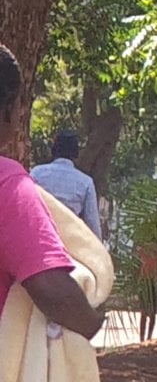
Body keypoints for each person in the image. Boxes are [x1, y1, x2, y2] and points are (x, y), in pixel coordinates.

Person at [0, 45, 102, 340]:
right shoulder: (10, 182)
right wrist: (91, 323)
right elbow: (52, 288)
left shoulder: (36, 175)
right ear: (8, 108)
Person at [30, 129, 101, 241]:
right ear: (76, 153)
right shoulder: (86, 182)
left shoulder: (36, 173)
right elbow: (92, 224)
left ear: (54, 150)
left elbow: (27, 206)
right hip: (69, 242)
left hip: (40, 236)